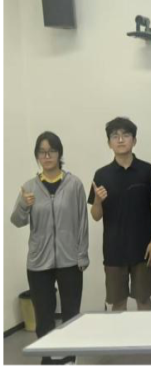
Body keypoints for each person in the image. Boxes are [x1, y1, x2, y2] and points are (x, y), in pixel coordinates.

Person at [11, 131, 89, 365]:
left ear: (59, 153)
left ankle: (69, 359)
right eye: (42, 152)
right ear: (37, 156)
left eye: (51, 151)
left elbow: (82, 222)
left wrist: (82, 255)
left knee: (71, 316)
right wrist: (24, 205)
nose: (47, 156)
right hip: (38, 263)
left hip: (70, 261)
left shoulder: (74, 185)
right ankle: (48, 359)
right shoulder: (29, 187)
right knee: (44, 319)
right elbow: (17, 221)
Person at [89, 117, 151, 311]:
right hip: (114, 251)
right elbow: (96, 216)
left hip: (142, 249)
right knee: (118, 303)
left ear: (134, 140)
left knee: (143, 300)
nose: (120, 140)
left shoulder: (147, 170)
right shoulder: (101, 175)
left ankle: (146, 333)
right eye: (115, 136)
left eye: (126, 135)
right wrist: (98, 201)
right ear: (109, 143)